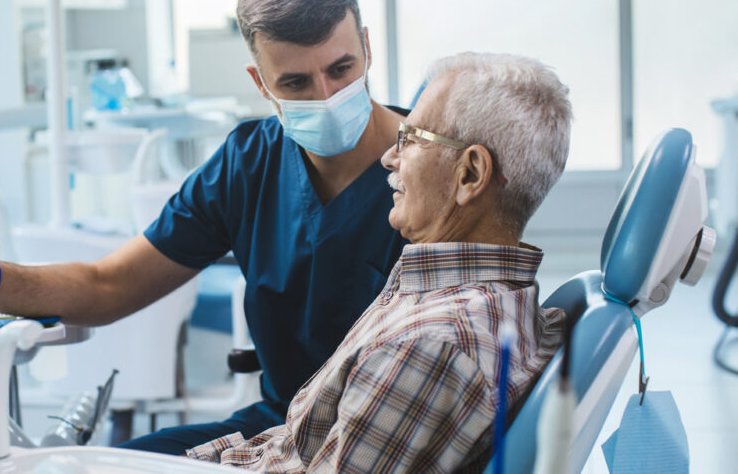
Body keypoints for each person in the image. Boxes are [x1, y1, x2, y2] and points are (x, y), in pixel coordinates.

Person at [0, 0, 409, 454]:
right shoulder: (248, 165)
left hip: (388, 437)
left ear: (366, 48)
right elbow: (111, 284)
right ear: (260, 83)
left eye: (341, 69)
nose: (326, 96)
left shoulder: (431, 170)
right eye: (295, 83)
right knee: (112, 465)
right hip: (280, 426)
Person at [185, 52, 572, 473]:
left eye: (412, 138)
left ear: (470, 174)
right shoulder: (463, 301)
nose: (390, 158)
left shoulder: (431, 346)